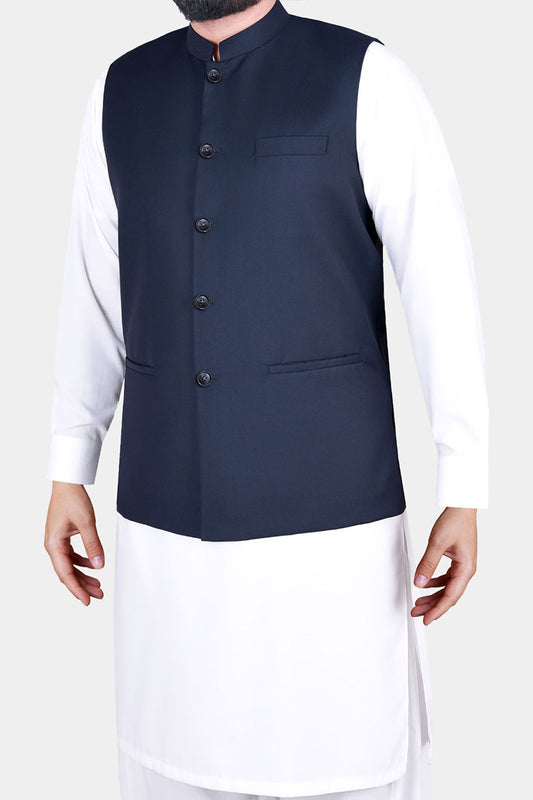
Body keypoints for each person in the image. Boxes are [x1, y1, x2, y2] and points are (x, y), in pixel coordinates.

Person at [44, 2, 489, 799]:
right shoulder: (120, 89)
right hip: (164, 523)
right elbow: (95, 288)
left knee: (346, 755)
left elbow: (440, 286)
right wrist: (69, 464)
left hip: (332, 530)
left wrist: (463, 485)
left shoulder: (366, 77)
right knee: (168, 757)